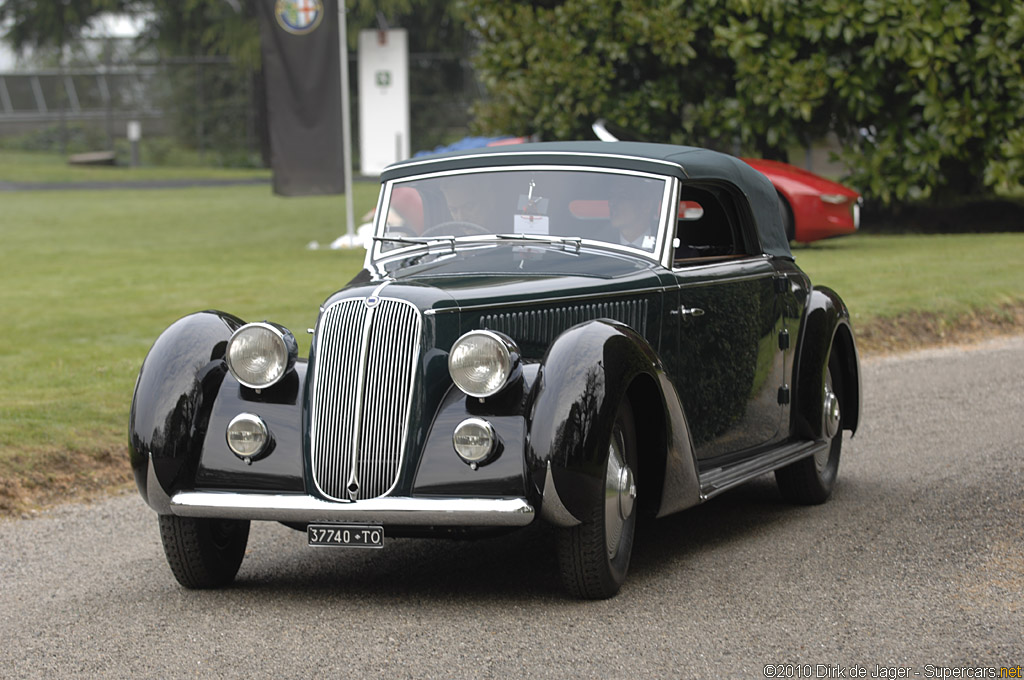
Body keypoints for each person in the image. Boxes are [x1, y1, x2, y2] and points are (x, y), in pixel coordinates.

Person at [608, 187, 659, 251]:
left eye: (622, 197)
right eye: (610, 197)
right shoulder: (600, 244)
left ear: (646, 205)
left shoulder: (665, 242)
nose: (611, 203)